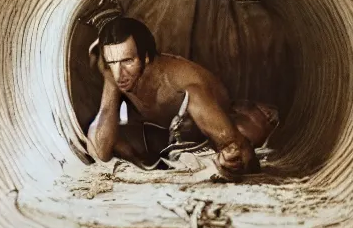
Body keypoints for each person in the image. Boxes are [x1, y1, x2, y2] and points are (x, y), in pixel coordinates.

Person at [85, 12, 279, 177]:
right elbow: (99, 149)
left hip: (218, 118)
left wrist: (231, 159)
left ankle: (253, 109)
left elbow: (243, 154)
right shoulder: (114, 73)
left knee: (252, 131)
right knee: (115, 140)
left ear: (145, 57)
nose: (120, 75)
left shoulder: (184, 83)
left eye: (127, 61)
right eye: (112, 63)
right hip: (165, 133)